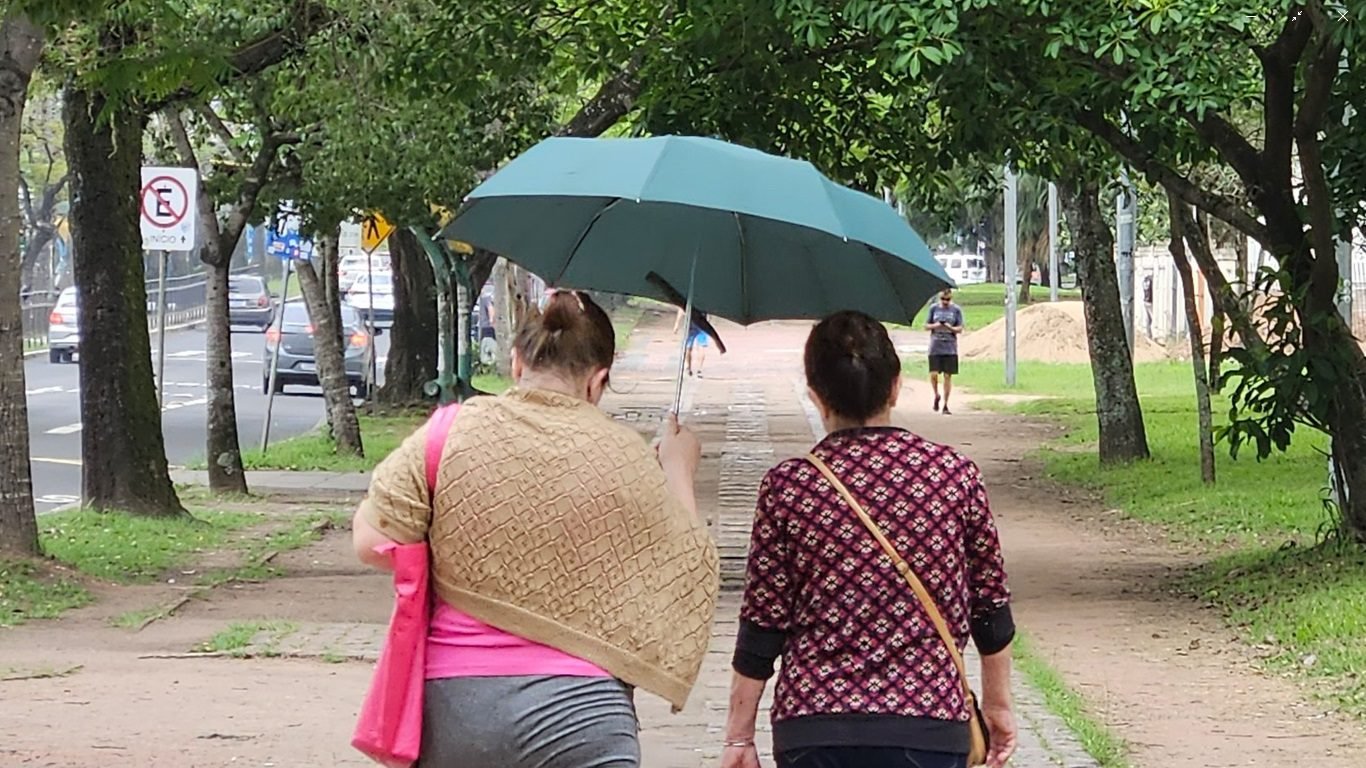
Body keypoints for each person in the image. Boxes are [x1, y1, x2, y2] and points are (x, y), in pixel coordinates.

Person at [353, 290, 720, 768]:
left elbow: (372, 540)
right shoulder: (626, 458)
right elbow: (687, 573)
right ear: (599, 380)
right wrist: (678, 469)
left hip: (459, 710)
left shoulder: (450, 432)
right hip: (585, 718)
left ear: (516, 363)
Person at [721, 311, 1017, 768]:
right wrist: (997, 706)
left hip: (815, 727)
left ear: (816, 396)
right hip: (930, 723)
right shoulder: (954, 476)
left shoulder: (788, 487)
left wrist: (739, 737)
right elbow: (991, 609)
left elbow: (763, 623)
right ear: (896, 385)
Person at [925, 288, 964, 415]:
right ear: (939, 298)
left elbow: (960, 328)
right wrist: (936, 325)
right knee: (934, 374)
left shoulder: (956, 310)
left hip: (950, 347)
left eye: (948, 299)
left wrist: (950, 327)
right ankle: (936, 394)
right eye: (943, 299)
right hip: (935, 346)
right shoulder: (933, 308)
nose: (945, 302)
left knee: (948, 376)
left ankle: (946, 405)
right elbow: (926, 325)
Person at [673, 307, 711, 377]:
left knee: (688, 347)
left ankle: (688, 368)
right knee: (701, 346)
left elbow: (681, 308)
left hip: (691, 322)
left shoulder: (689, 297)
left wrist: (677, 323)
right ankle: (699, 369)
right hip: (703, 322)